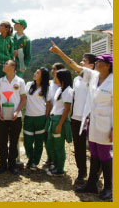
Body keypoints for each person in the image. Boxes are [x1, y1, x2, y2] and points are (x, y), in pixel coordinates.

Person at [50, 41, 113, 200]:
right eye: (96, 61)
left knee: (105, 155)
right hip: (92, 122)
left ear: (107, 65)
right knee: (94, 153)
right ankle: (92, 184)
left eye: (100, 61)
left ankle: (109, 187)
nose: (97, 63)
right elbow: (75, 67)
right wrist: (60, 53)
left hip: (107, 124)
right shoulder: (94, 75)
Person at [0, 59, 26, 174]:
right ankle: (2, 164)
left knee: (14, 141)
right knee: (2, 141)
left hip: (15, 117)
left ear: (13, 67)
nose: (3, 65)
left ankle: (12, 165)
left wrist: (17, 111)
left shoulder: (20, 81)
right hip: (1, 116)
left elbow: (23, 99)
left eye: (6, 64)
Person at [71, 53, 96, 185]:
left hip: (91, 118)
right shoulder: (76, 80)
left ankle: (95, 174)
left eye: (84, 61)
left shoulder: (95, 79)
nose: (81, 63)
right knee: (79, 147)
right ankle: (82, 172)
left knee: (94, 148)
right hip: (76, 118)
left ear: (91, 65)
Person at [46, 69, 73, 176]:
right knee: (51, 143)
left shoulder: (68, 91)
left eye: (57, 77)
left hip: (59, 120)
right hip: (53, 118)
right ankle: (55, 166)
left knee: (59, 146)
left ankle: (60, 169)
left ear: (62, 78)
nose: (54, 78)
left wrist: (60, 124)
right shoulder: (59, 90)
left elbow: (66, 109)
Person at [23, 67, 51, 170]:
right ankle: (30, 158)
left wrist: (46, 117)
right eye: (35, 71)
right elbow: (23, 98)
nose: (35, 73)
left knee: (39, 142)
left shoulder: (47, 88)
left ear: (42, 76)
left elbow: (48, 104)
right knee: (27, 141)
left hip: (41, 117)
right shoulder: (28, 85)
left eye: (37, 73)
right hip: (28, 117)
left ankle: (35, 162)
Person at [43, 62, 65, 169]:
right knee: (47, 139)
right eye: (52, 68)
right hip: (48, 114)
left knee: (55, 140)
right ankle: (50, 157)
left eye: (55, 69)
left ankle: (57, 162)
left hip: (57, 116)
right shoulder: (50, 83)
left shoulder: (63, 86)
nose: (53, 71)